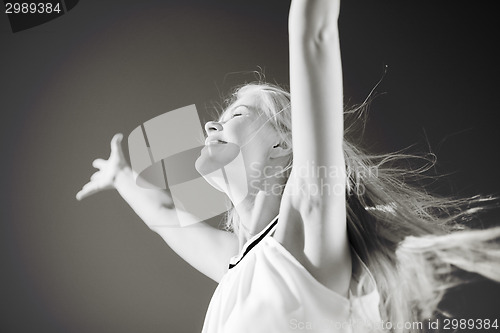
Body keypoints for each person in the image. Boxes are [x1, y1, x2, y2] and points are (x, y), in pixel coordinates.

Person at [76, 1, 500, 332]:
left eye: (236, 116)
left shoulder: (307, 226)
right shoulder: (237, 262)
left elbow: (313, 35)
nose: (211, 124)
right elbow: (165, 215)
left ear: (283, 145)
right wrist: (122, 178)